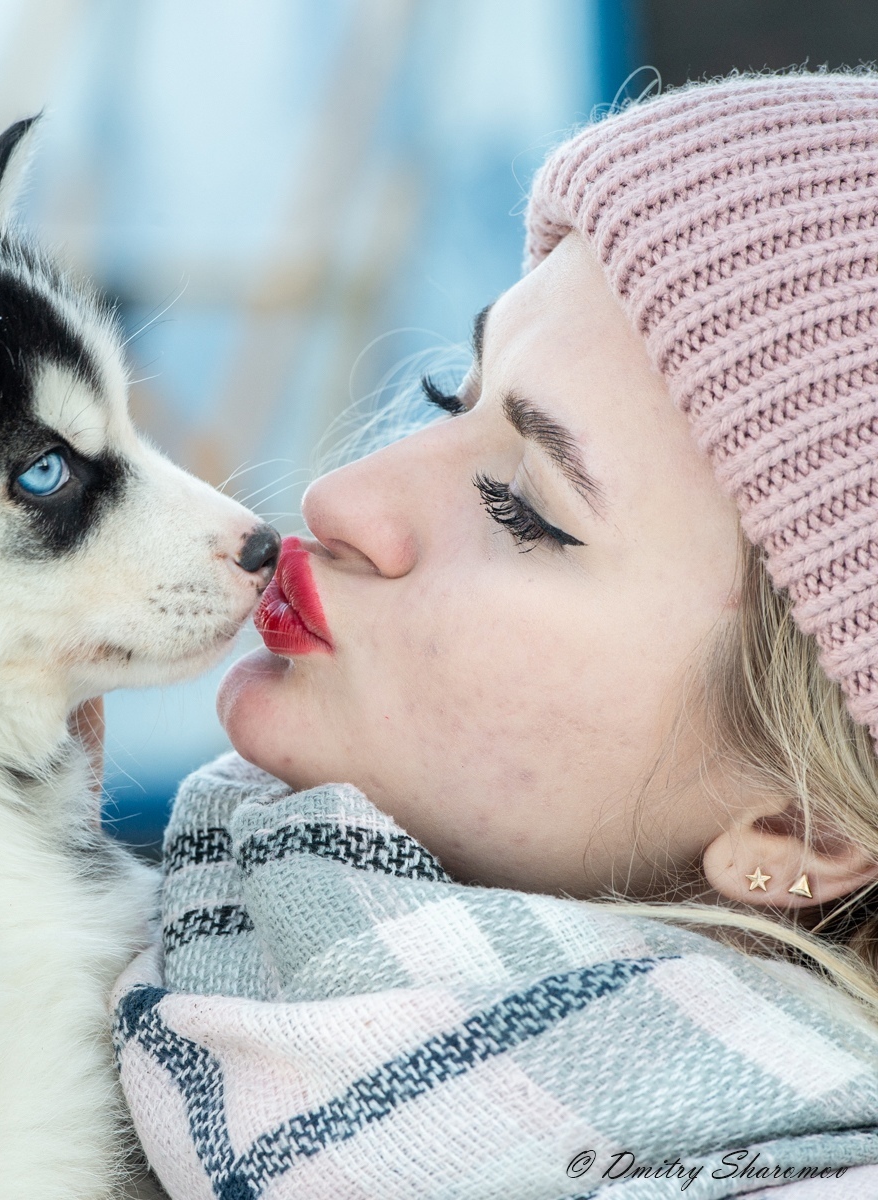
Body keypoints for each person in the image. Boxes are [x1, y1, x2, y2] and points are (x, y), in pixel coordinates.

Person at [111, 73, 878, 1199]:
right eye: (445, 397)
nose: (342, 497)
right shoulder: (121, 995)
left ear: (800, 825)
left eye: (524, 510)